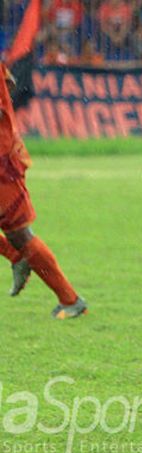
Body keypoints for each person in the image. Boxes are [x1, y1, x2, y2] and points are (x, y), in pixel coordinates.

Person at [0, 62, 87, 318]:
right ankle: (16, 256)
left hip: (2, 164)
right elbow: (11, 81)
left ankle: (71, 300)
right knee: (18, 237)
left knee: (19, 234)